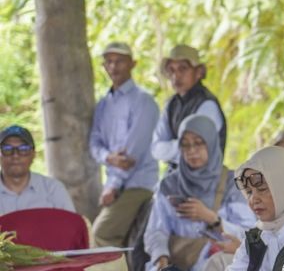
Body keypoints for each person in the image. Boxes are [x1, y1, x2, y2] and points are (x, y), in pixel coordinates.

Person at [129, 114, 254, 271]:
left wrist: (211, 218)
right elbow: (155, 231)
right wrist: (162, 266)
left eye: (198, 143)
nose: (192, 151)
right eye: (185, 145)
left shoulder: (232, 183)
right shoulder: (170, 184)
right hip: (172, 268)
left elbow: (249, 235)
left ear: (212, 144)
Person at [89, 42, 160, 247]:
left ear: (133, 64)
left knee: (101, 233)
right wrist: (107, 157)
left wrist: (112, 185)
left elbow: (130, 157)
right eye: (109, 62)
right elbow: (94, 142)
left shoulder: (144, 101)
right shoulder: (104, 104)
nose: (113, 67)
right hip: (114, 184)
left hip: (138, 184)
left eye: (119, 61)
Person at [151, 45, 226, 168]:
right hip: (176, 179)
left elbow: (196, 151)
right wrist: (180, 147)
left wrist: (170, 149)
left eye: (183, 69)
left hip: (203, 181)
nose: (176, 76)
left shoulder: (207, 104)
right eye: (172, 70)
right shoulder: (172, 104)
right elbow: (155, 148)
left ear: (198, 72)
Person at [0, 125, 75, 215]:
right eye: (7, 149)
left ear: (33, 154)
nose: (15, 155)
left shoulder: (52, 190)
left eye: (23, 149)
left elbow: (70, 226)